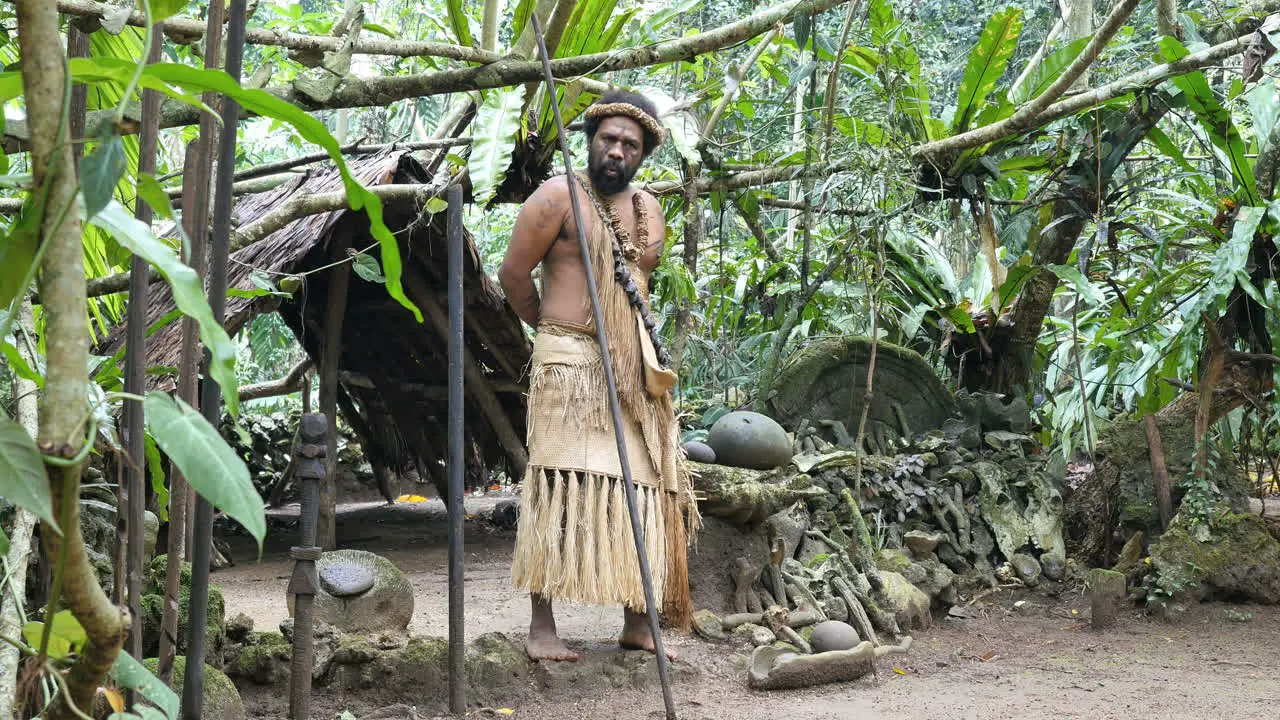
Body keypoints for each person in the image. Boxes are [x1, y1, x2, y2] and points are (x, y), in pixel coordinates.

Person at [499, 90, 700, 662]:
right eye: (607, 139)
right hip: (567, 360)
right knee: (558, 481)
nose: (615, 151)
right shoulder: (556, 196)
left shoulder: (649, 212)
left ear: (643, 154)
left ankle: (638, 618)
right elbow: (514, 276)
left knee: (647, 481)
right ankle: (542, 626)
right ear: (590, 141)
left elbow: (638, 287)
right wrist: (552, 330)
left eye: (629, 144)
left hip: (631, 364)